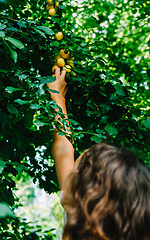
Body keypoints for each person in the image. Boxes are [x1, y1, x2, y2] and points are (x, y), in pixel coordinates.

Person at [47, 68, 150, 240]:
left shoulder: (78, 212)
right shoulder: (79, 211)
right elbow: (63, 149)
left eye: (75, 174)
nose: (68, 180)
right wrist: (58, 97)